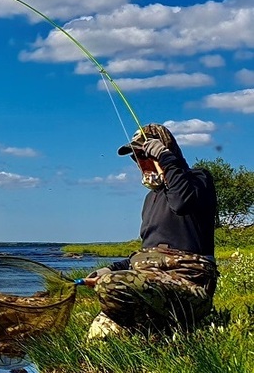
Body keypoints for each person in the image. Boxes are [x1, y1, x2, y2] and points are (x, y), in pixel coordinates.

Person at [83, 123, 218, 336]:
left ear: (163, 151)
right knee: (97, 336)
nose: (140, 162)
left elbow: (181, 203)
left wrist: (167, 159)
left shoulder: (198, 180)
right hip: (150, 286)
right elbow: (146, 253)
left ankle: (162, 331)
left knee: (112, 286)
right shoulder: (150, 199)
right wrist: (109, 269)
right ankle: (153, 331)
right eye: (136, 157)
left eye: (146, 155)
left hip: (190, 287)